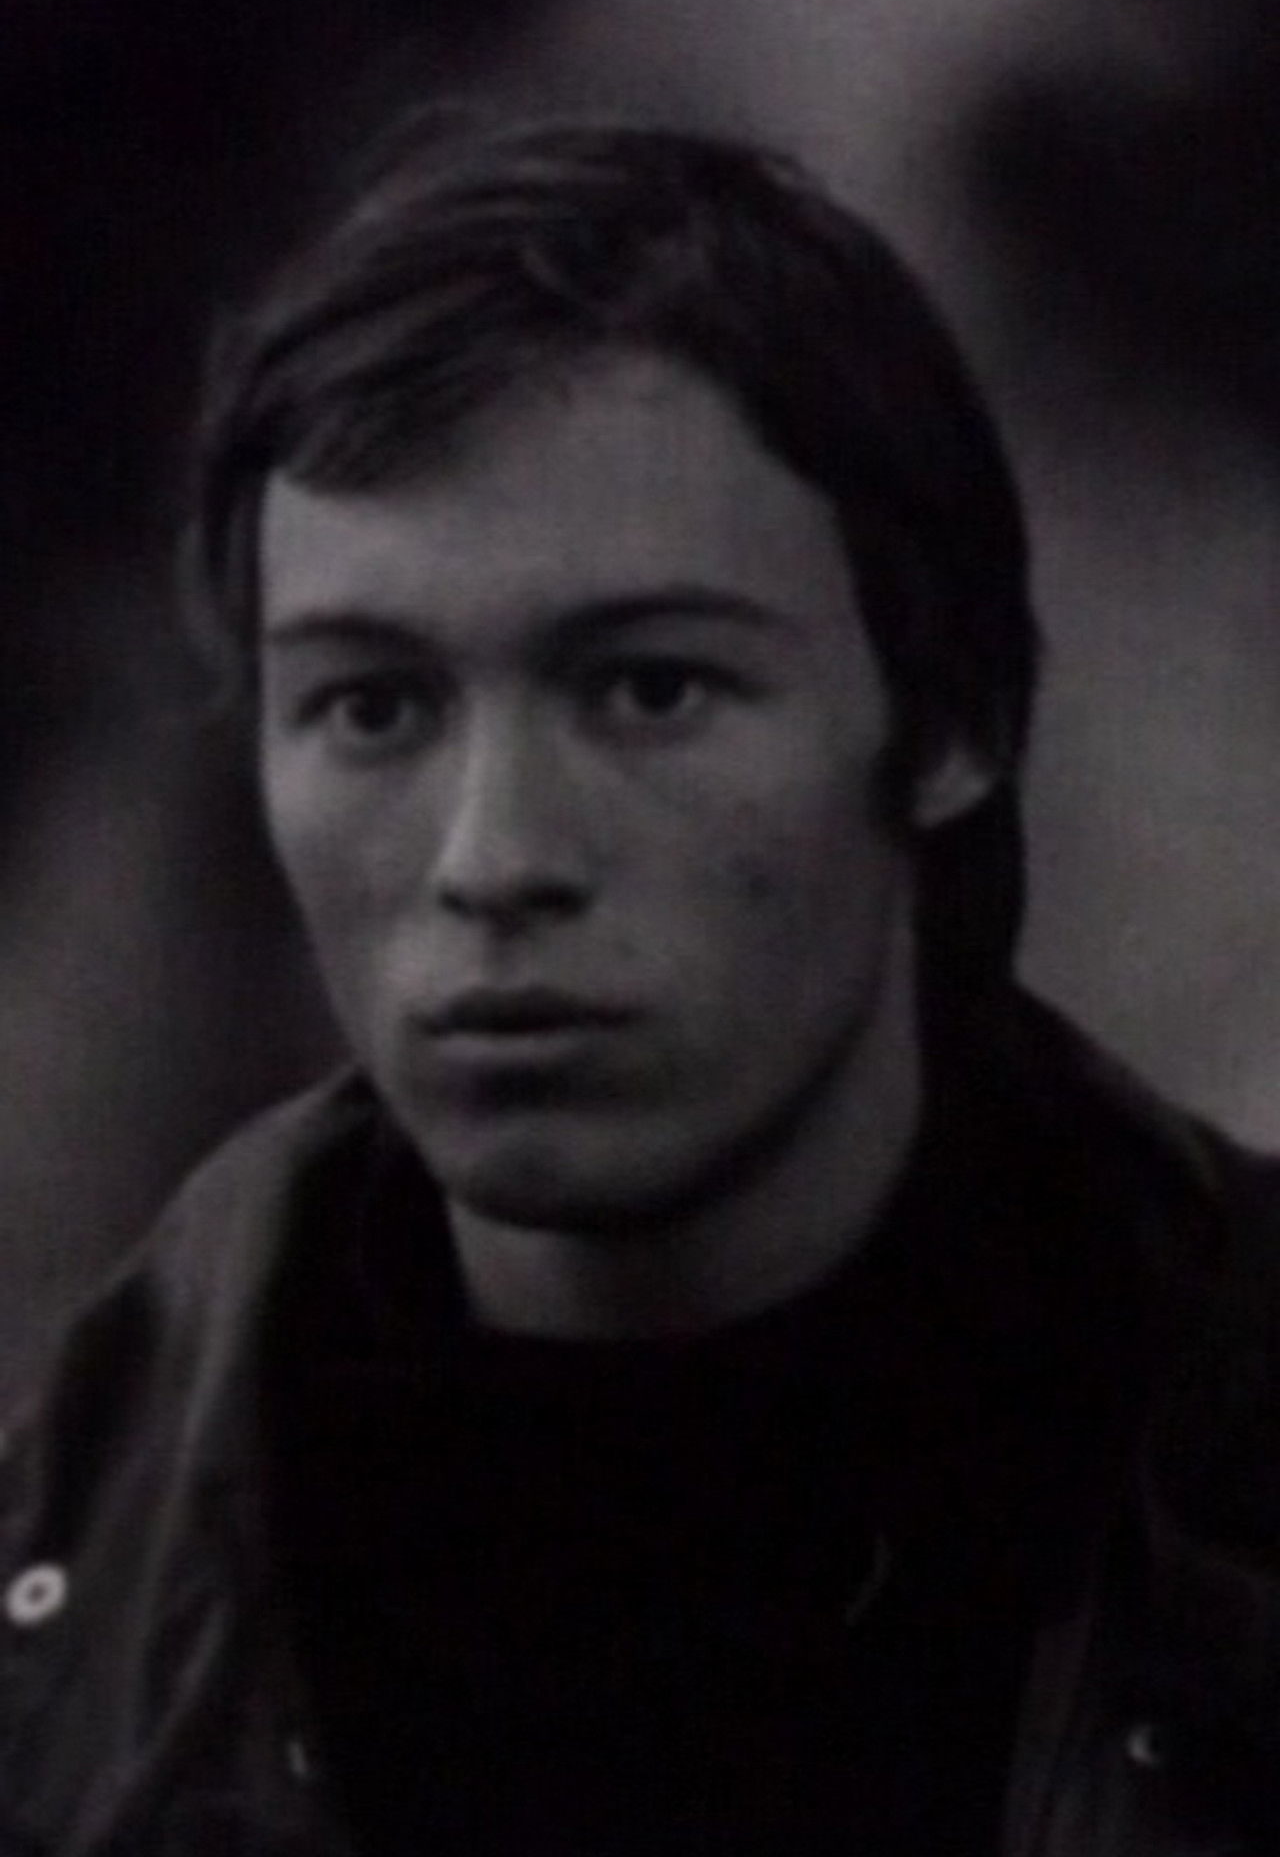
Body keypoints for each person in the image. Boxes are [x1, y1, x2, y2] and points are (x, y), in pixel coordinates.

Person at [1, 110, 1277, 1857]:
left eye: (650, 689)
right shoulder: (69, 1615)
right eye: (373, 706)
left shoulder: (1221, 1472)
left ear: (951, 721)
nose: (492, 856)